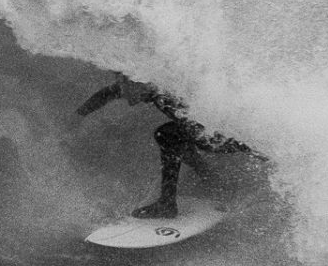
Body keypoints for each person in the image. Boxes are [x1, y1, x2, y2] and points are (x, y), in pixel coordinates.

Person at [75, 76, 262, 219]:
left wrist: (252, 147)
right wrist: (79, 115)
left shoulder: (165, 96)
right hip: (211, 127)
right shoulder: (148, 83)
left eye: (126, 92)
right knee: (175, 135)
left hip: (222, 132)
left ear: (138, 83)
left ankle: (169, 202)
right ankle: (212, 180)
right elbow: (108, 93)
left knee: (168, 135)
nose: (128, 101)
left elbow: (209, 135)